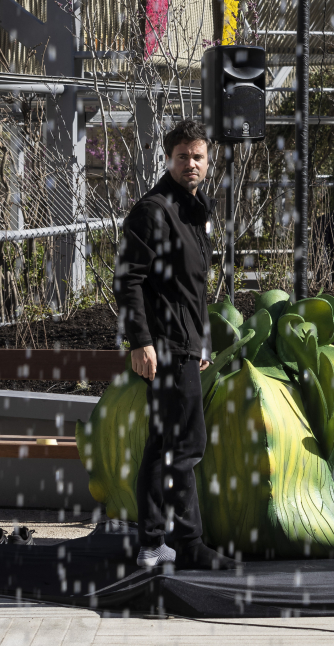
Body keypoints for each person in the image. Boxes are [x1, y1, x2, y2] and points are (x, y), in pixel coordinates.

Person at [115, 118, 220, 570]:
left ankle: (155, 544)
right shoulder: (154, 210)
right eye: (183, 157)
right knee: (181, 445)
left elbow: (193, 288)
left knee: (168, 443)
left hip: (185, 345)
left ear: (208, 161)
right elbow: (128, 279)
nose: (191, 164)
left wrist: (204, 343)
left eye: (198, 156)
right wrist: (141, 340)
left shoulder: (194, 210)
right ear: (169, 159)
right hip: (163, 346)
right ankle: (181, 543)